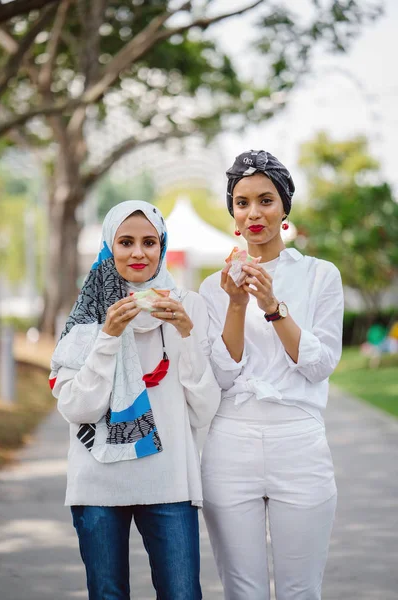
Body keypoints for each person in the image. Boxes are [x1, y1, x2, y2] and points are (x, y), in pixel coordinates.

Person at [50, 201, 220, 600]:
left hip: (170, 483)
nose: (138, 253)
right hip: (97, 486)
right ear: (109, 247)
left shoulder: (188, 306)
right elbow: (77, 408)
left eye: (149, 241)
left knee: (183, 594)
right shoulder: (88, 312)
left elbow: (204, 409)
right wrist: (108, 336)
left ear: (162, 246)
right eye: (125, 242)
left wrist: (185, 334)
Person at [199, 150, 344, 600]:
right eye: (242, 202)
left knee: (300, 591)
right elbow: (222, 377)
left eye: (266, 199)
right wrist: (238, 306)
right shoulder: (213, 287)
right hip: (230, 443)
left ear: (284, 206)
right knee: (243, 591)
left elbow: (320, 365)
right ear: (233, 213)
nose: (254, 212)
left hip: (298, 441)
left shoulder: (320, 276)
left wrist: (272, 307)